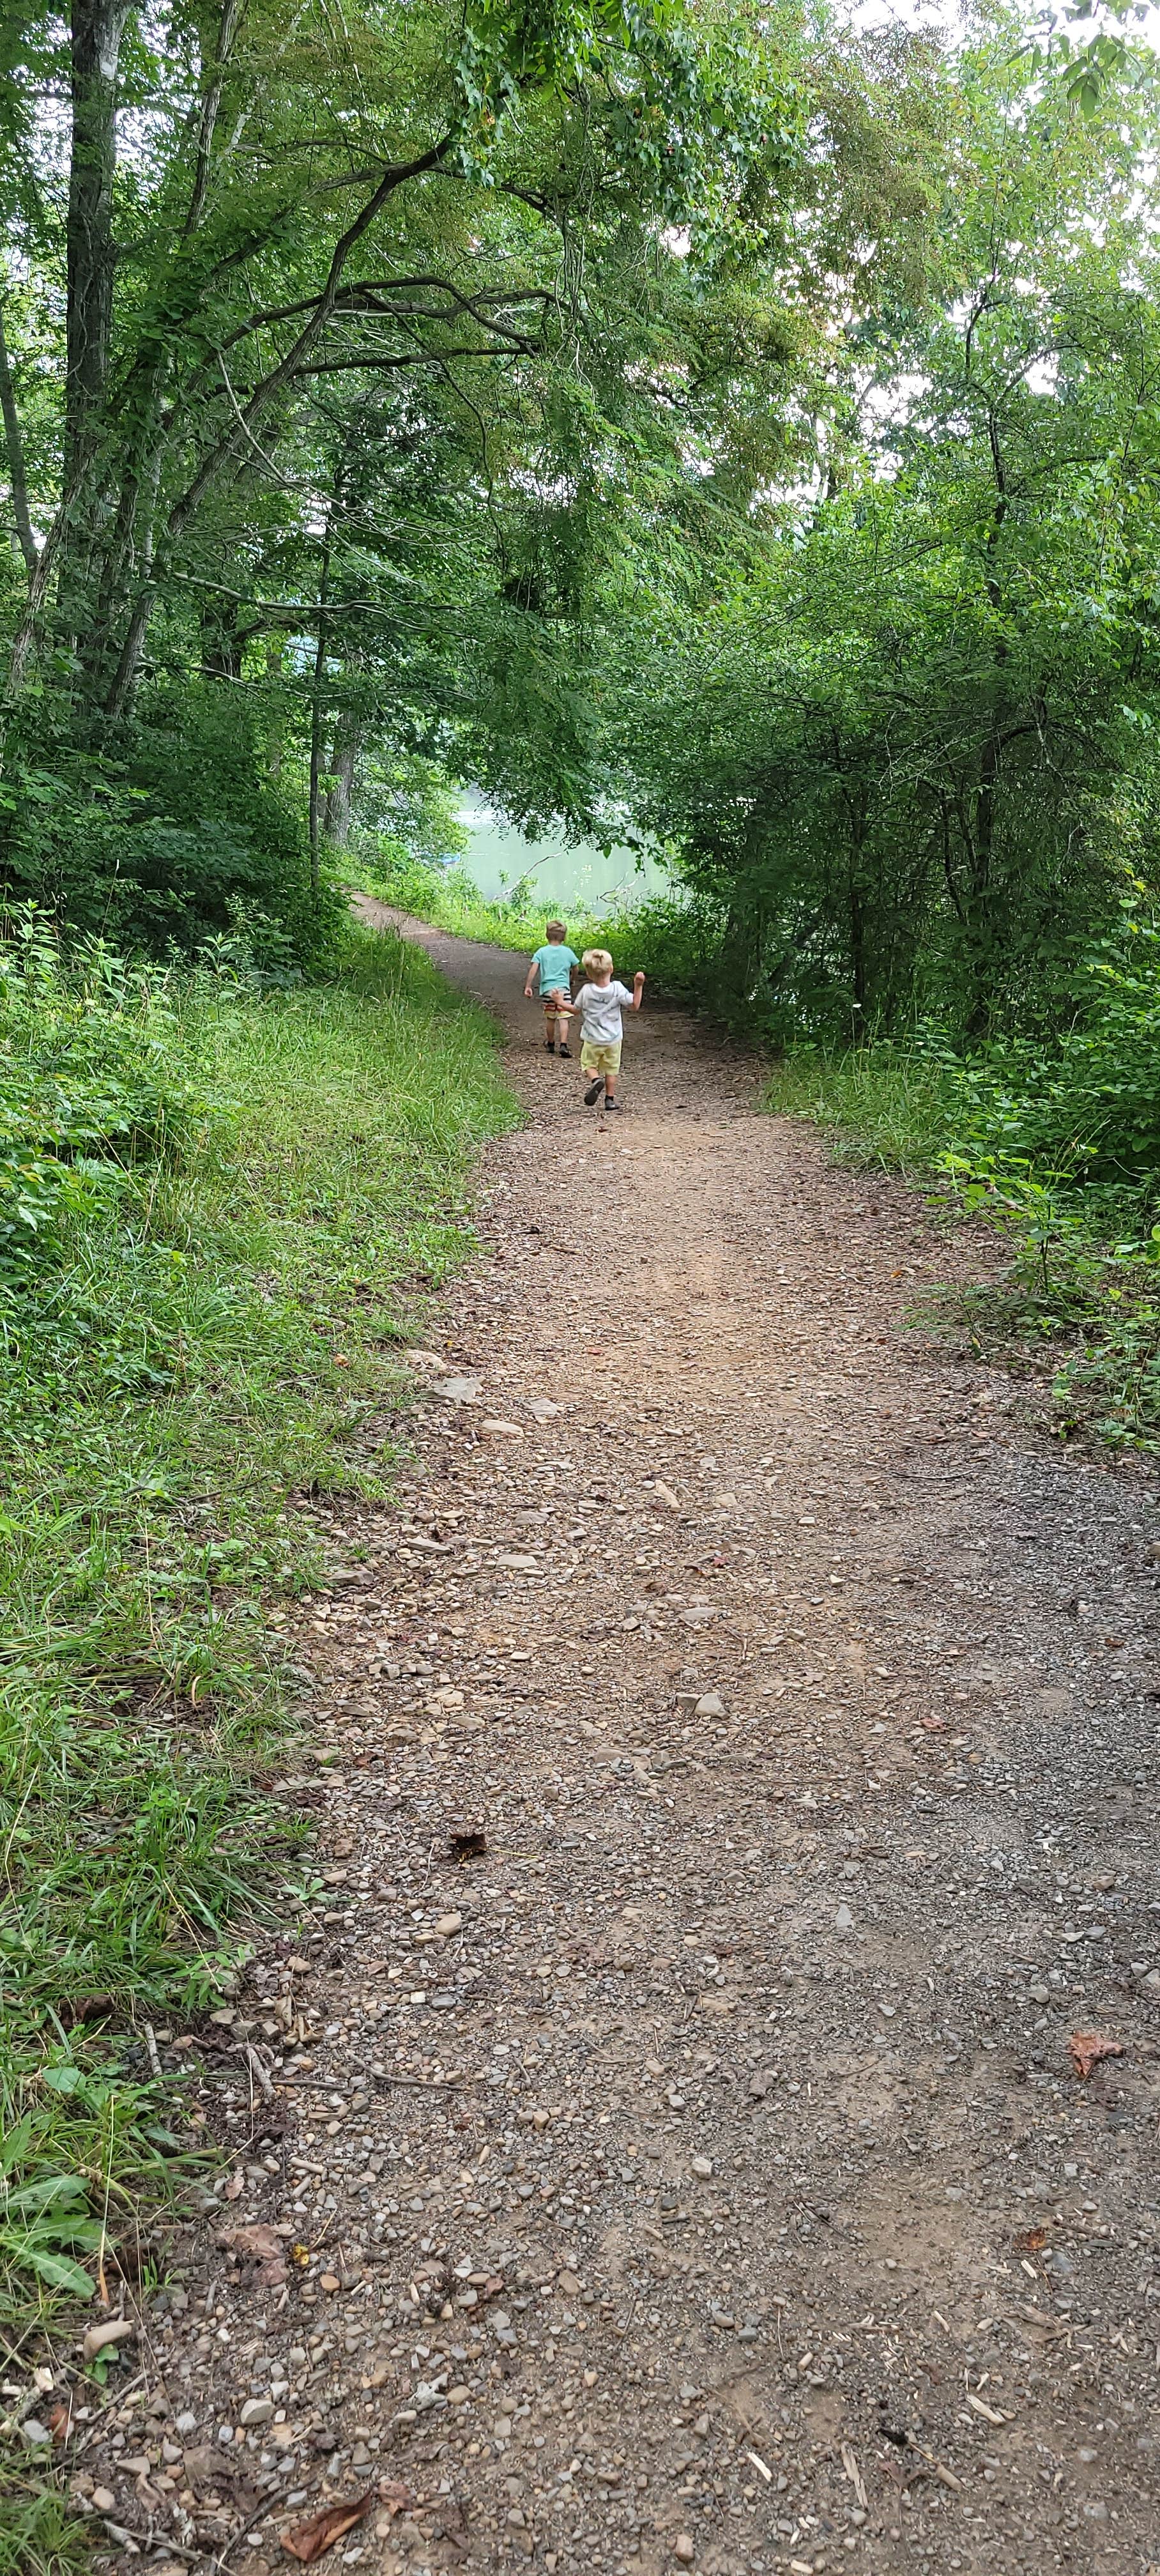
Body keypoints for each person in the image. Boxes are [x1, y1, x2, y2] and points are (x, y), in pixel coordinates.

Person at [556, 948, 645, 1112]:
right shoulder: (617, 988)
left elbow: (575, 1010)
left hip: (592, 1039)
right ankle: (610, 1101)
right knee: (612, 1070)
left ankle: (596, 1080)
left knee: (588, 1064)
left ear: (589, 974)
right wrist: (638, 986)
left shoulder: (587, 990)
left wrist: (559, 1001)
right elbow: (635, 1005)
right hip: (613, 1039)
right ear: (611, 969)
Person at [524, 920, 580, 1056]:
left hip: (548, 991)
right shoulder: (568, 952)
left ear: (547, 935)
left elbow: (533, 969)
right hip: (563, 990)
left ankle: (550, 1044)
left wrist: (528, 986)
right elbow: (576, 967)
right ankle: (564, 1045)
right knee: (564, 1017)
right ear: (564, 937)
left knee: (551, 1018)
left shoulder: (542, 952)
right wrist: (572, 979)